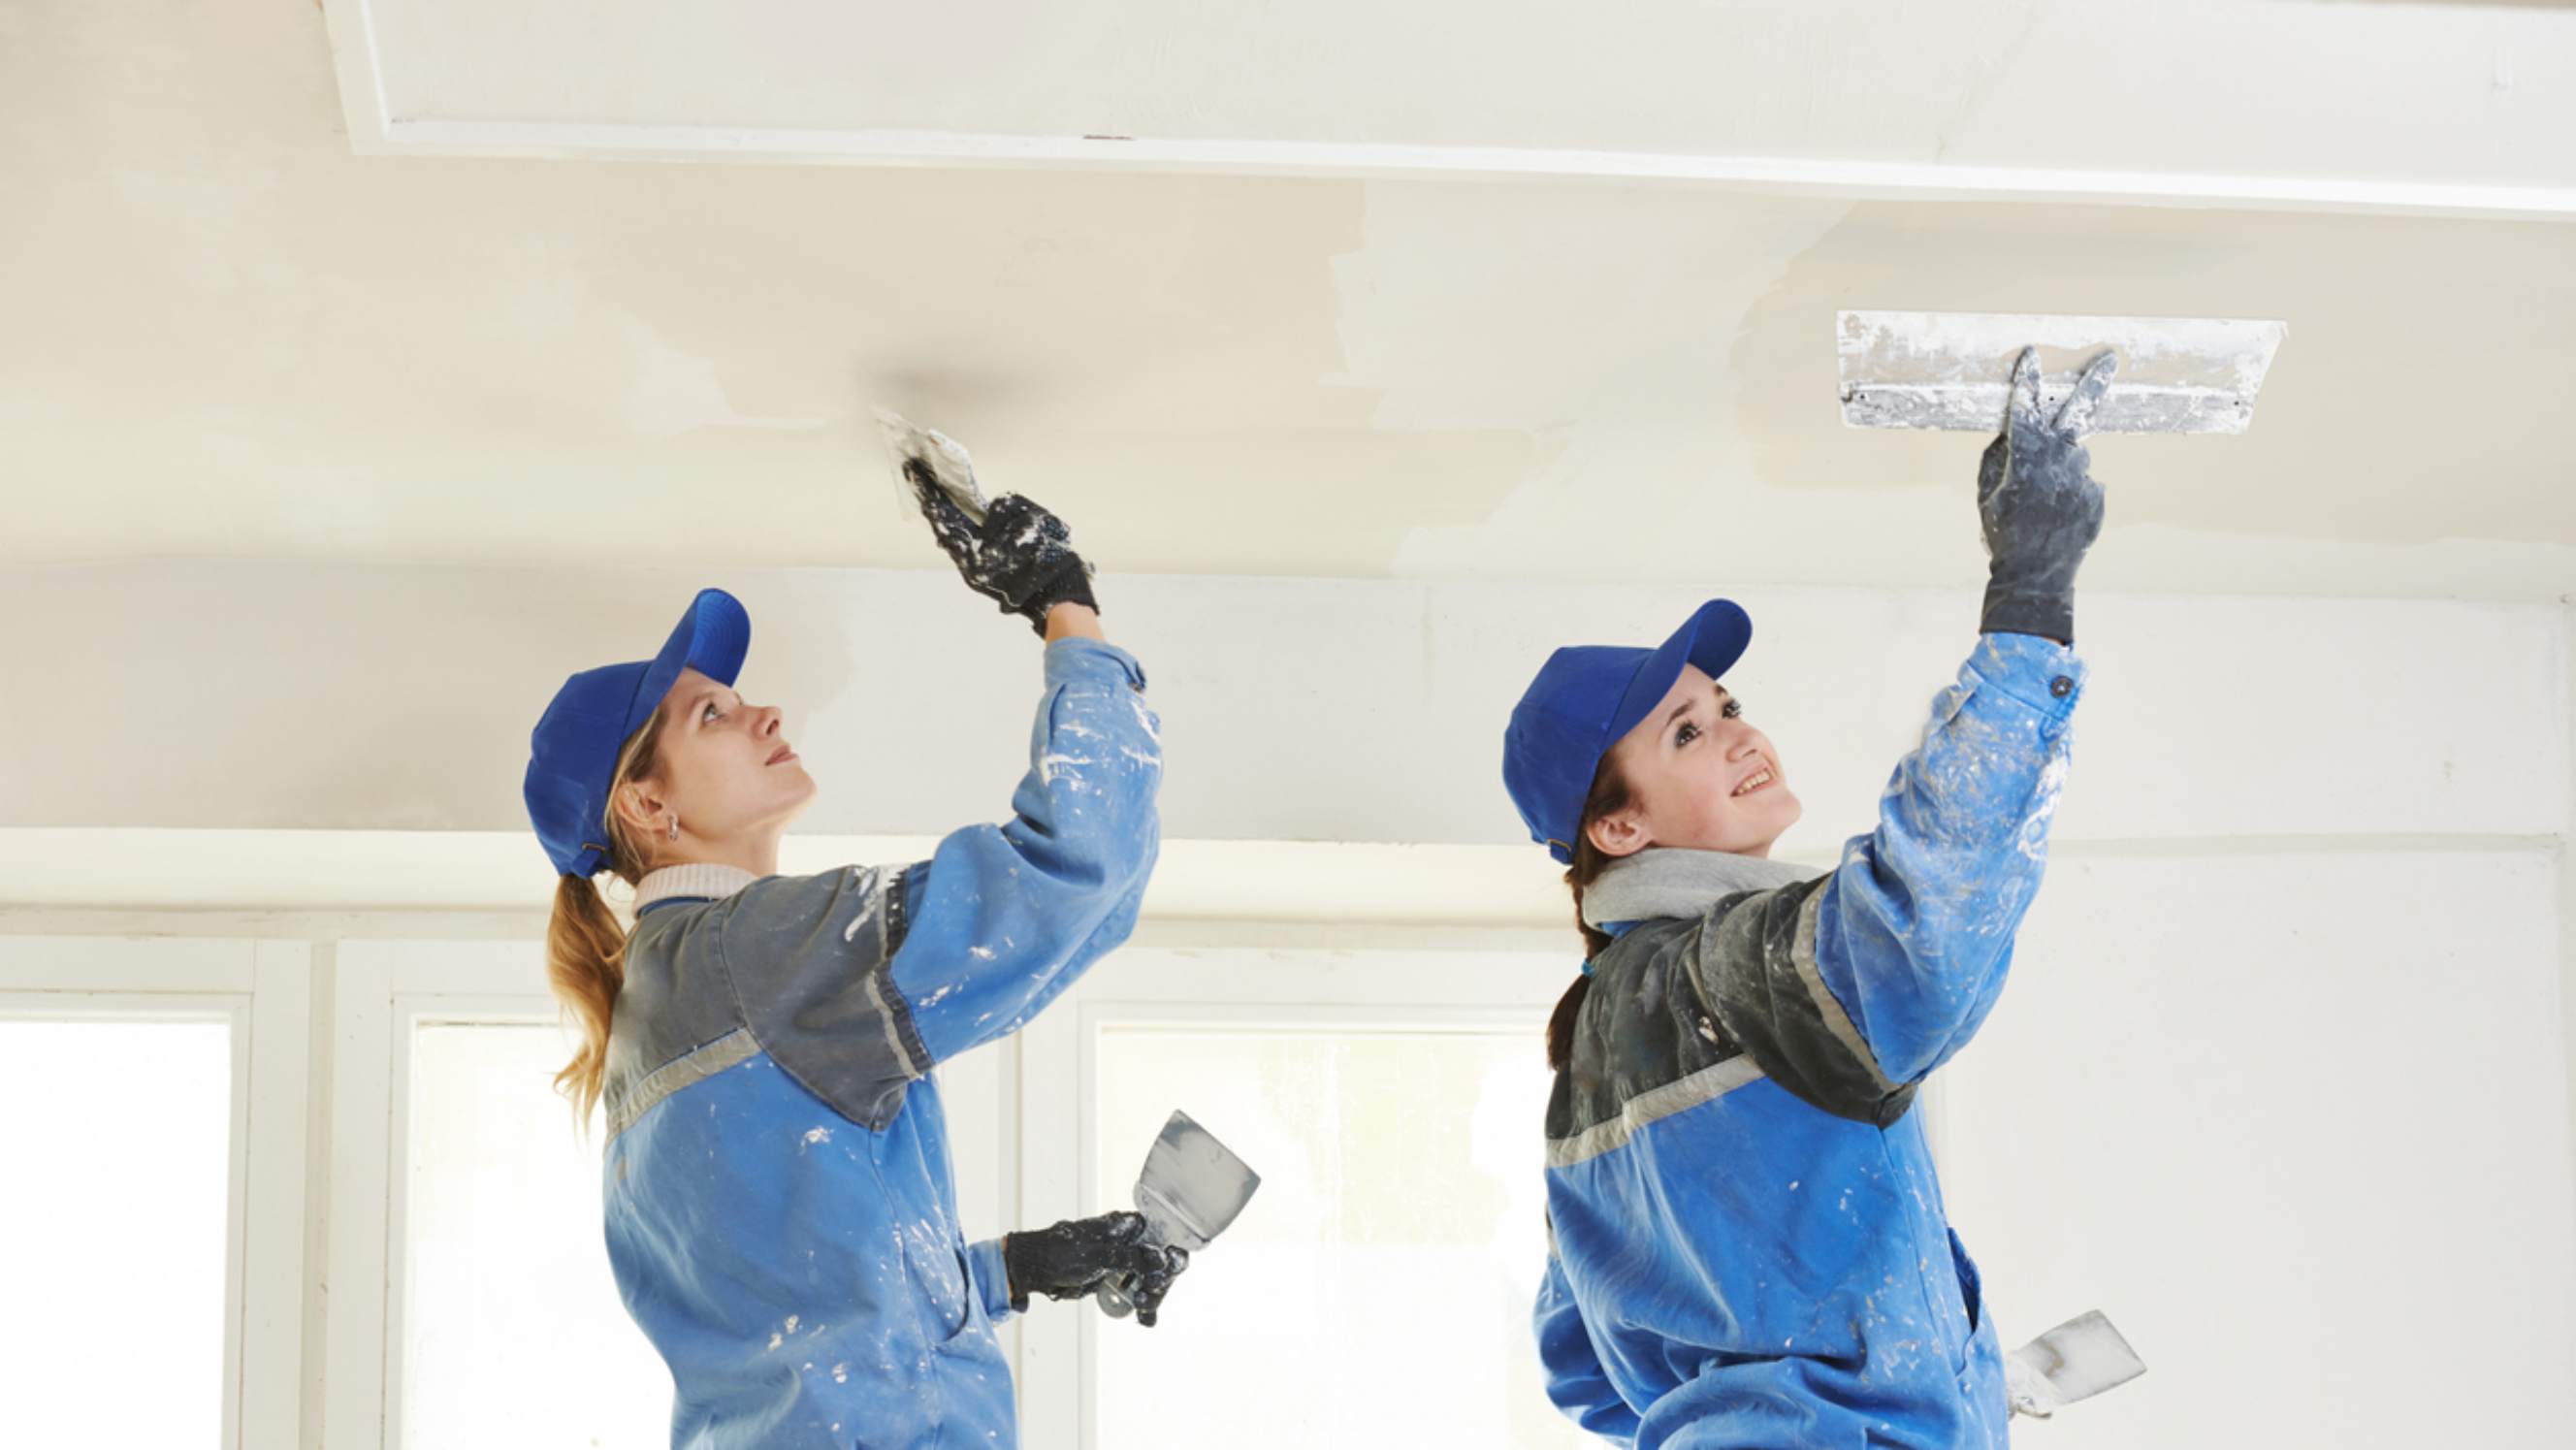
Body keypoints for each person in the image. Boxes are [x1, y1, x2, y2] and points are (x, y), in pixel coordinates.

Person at [521, 427, 1181, 1449]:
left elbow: (818, 1318)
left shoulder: (648, 1030)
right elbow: (1069, 874)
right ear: (646, 804)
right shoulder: (759, 957)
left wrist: (1021, 1264)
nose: (762, 712)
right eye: (713, 716)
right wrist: (1068, 612)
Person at [1505, 350, 2114, 1447]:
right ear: (1619, 827)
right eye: (1686, 733)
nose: (1739, 732)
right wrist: (2029, 598)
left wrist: (1886, 1375)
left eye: (1726, 703)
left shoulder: (1590, 1056)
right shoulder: (1718, 976)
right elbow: (1923, 918)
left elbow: (1582, 1365)